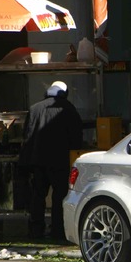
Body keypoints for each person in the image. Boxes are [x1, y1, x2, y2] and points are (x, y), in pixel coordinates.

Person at [19, 81, 83, 239]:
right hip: (60, 161)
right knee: (59, 196)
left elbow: (27, 136)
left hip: (38, 160)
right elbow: (76, 138)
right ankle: (58, 230)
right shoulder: (68, 109)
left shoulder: (35, 108)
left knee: (38, 195)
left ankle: (36, 230)